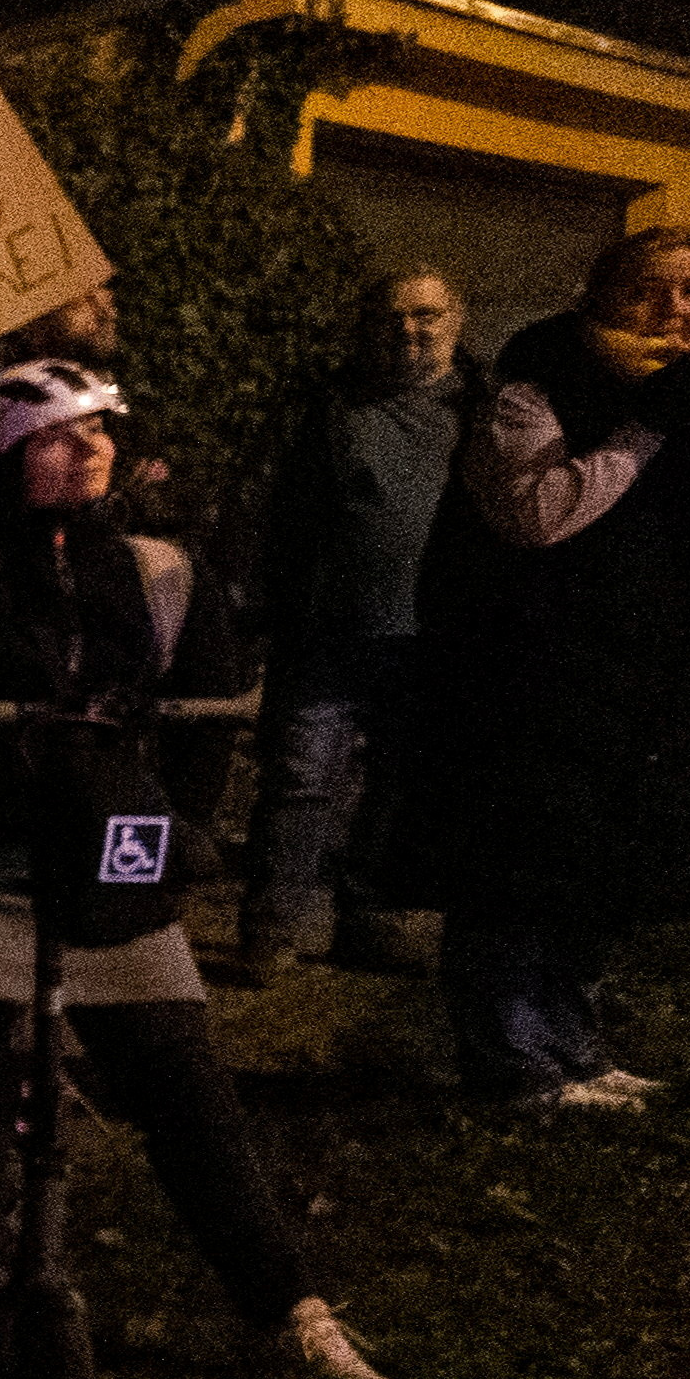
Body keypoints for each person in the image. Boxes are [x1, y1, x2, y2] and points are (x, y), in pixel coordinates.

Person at [0, 362, 396, 1379]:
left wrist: (172, 834)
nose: (92, 445)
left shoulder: (159, 570)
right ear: (1, 454)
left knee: (178, 1072)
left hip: (109, 844)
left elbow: (204, 722)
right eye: (58, 434)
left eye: (101, 426)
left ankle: (287, 1305)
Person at [393, 228, 690, 1107]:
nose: (675, 310)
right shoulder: (538, 376)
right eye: (652, 289)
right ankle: (509, 1060)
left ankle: (572, 1044)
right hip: (540, 671)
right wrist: (646, 430)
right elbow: (536, 512)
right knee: (520, 867)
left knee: (603, 868)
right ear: (603, 291)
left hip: (665, 680)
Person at [243, 277, 487, 973]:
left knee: (397, 785)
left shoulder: (485, 405)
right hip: (326, 630)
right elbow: (279, 508)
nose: (407, 329)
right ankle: (270, 929)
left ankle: (367, 921)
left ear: (456, 320)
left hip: (429, 636)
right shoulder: (325, 404)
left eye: (425, 314)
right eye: (389, 316)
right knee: (298, 779)